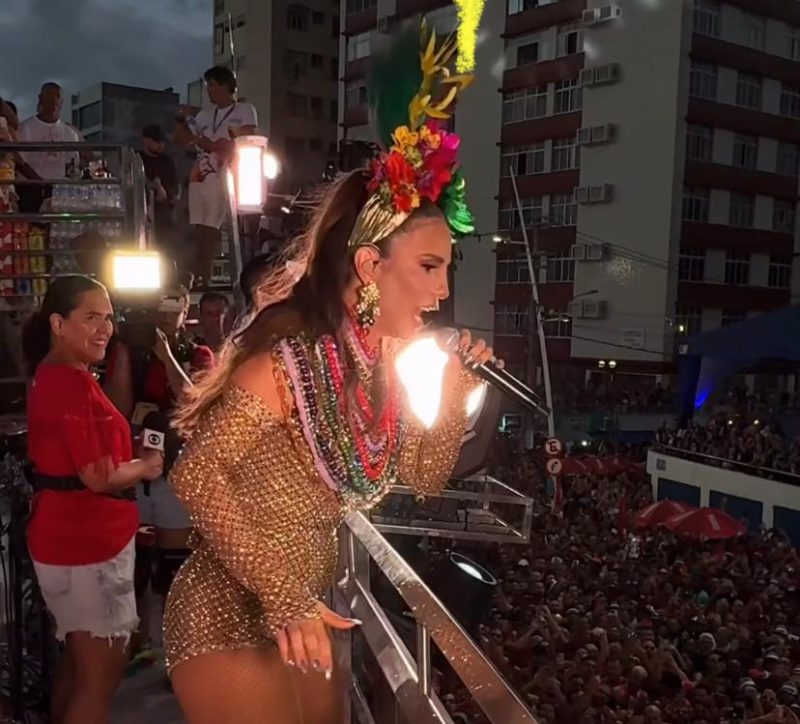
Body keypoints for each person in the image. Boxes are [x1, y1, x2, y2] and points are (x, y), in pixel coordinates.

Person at [163, 18, 486, 723]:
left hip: (309, 608)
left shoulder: (384, 367)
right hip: (232, 611)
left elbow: (423, 478)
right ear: (371, 265)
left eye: (446, 271)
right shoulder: (290, 359)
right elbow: (196, 473)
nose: (440, 292)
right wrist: (281, 596)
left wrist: (457, 381)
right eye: (429, 268)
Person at [22, 275, 163, 724]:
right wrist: (146, 466)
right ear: (58, 323)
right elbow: (97, 476)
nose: (105, 328)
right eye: (91, 318)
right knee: (98, 680)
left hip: (67, 538)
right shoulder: (71, 382)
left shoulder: (55, 374)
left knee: (80, 669)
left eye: (108, 317)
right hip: (86, 544)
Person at [176, 66, 257, 287]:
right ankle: (198, 272)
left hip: (224, 171)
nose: (209, 91)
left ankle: (203, 272)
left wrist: (215, 144)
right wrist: (181, 122)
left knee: (211, 225)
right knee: (199, 224)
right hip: (200, 171)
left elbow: (246, 138)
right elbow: (185, 140)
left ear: (225, 85)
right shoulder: (203, 115)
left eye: (212, 85)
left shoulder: (244, 109)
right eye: (207, 86)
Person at [16, 83, 82, 212]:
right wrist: (41, 183)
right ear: (40, 98)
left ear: (61, 101)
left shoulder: (70, 133)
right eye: (49, 95)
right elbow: (20, 162)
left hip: (58, 193)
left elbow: (72, 165)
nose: (53, 99)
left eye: (57, 96)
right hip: (30, 191)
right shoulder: (26, 128)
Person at [139, 124, 178, 253]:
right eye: (157, 142)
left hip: (164, 213)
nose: (160, 145)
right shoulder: (138, 159)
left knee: (165, 248)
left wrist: (174, 196)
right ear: (146, 141)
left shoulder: (167, 161)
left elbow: (174, 184)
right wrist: (153, 186)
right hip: (143, 211)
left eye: (162, 142)